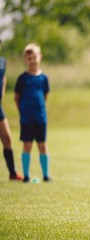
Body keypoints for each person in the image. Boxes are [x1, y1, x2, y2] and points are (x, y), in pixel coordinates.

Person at [14, 43, 51, 183]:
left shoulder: (44, 78)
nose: (32, 60)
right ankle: (26, 175)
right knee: (27, 145)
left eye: (34, 57)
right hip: (26, 119)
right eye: (29, 58)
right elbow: (17, 97)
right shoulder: (22, 78)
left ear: (39, 57)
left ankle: (46, 175)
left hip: (40, 118)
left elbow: (45, 96)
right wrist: (22, 112)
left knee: (42, 145)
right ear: (26, 60)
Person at [0, 39, 23, 181]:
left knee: (7, 138)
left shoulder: (2, 61)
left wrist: (2, 93)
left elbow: (3, 78)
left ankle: (12, 173)